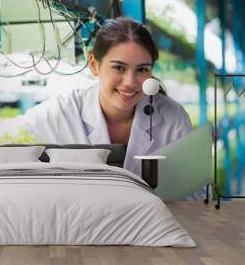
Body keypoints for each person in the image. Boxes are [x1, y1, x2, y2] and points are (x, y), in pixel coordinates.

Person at [11, 17, 204, 200]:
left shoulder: (172, 117)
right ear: (94, 64)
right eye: (119, 68)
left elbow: (197, 193)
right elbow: (2, 139)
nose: (130, 82)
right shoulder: (63, 110)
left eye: (142, 69)